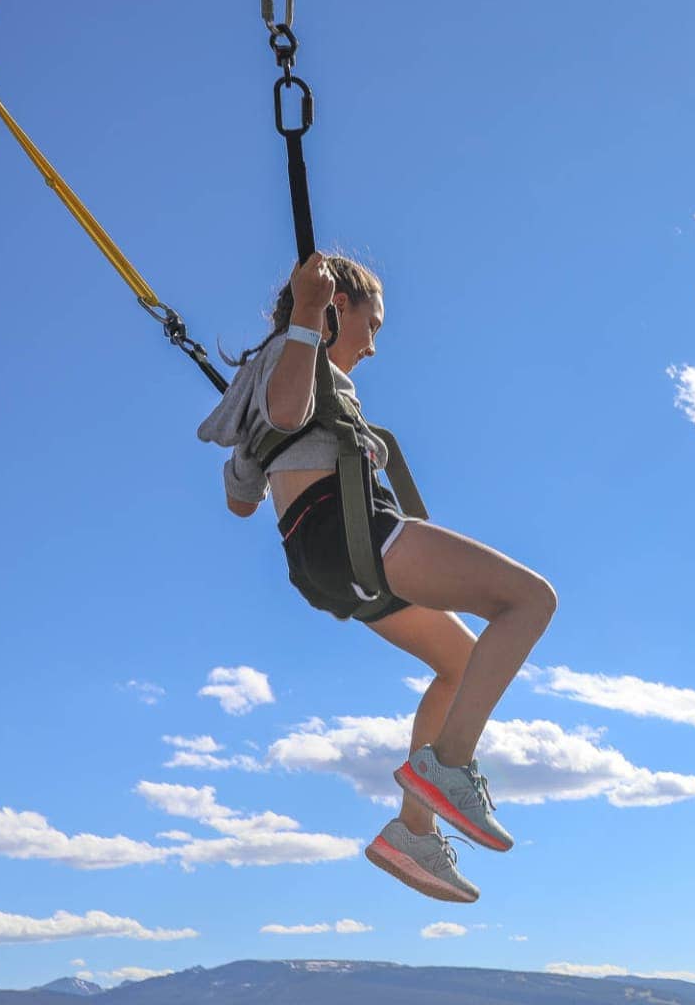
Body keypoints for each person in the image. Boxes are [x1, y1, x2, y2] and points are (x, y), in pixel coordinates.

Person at [198, 252, 557, 903]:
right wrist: (306, 313)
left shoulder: (288, 379)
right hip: (350, 533)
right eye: (374, 323)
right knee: (529, 601)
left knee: (459, 662)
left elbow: (240, 500)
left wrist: (264, 442)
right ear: (340, 309)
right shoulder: (294, 360)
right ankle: (447, 767)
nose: (375, 343)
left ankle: (411, 832)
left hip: (322, 567)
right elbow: (285, 411)